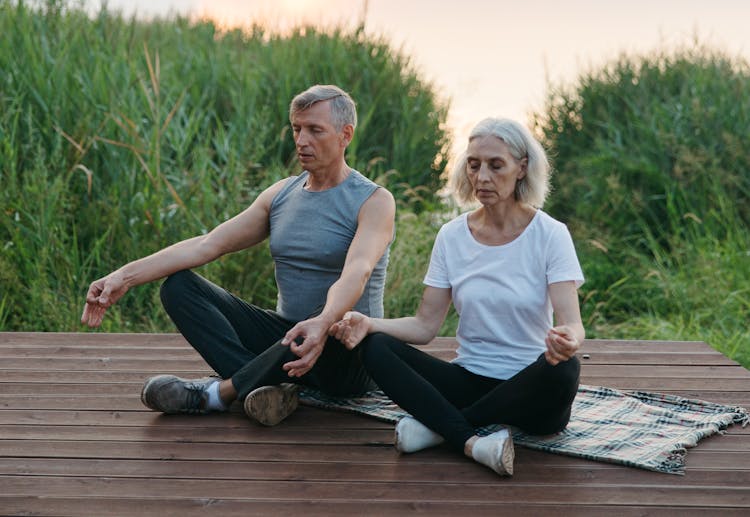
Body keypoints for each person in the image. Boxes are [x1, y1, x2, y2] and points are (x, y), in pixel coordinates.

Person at [82, 84, 395, 426]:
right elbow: (208, 244)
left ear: (345, 134)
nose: (302, 140)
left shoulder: (373, 201)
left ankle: (218, 394)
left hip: (344, 351)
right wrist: (123, 276)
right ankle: (265, 386)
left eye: (315, 130)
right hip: (288, 341)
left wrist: (322, 322)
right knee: (179, 287)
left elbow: (358, 271)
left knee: (327, 326)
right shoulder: (281, 194)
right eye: (296, 128)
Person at [330, 116, 584, 478]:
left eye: (496, 166)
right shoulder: (451, 236)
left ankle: (441, 429)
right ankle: (471, 441)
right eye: (474, 164)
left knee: (567, 369)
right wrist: (369, 323)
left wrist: (568, 341)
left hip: (532, 390)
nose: (482, 177)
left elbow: (572, 324)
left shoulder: (550, 234)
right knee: (376, 347)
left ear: (522, 167)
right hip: (469, 383)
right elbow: (425, 326)